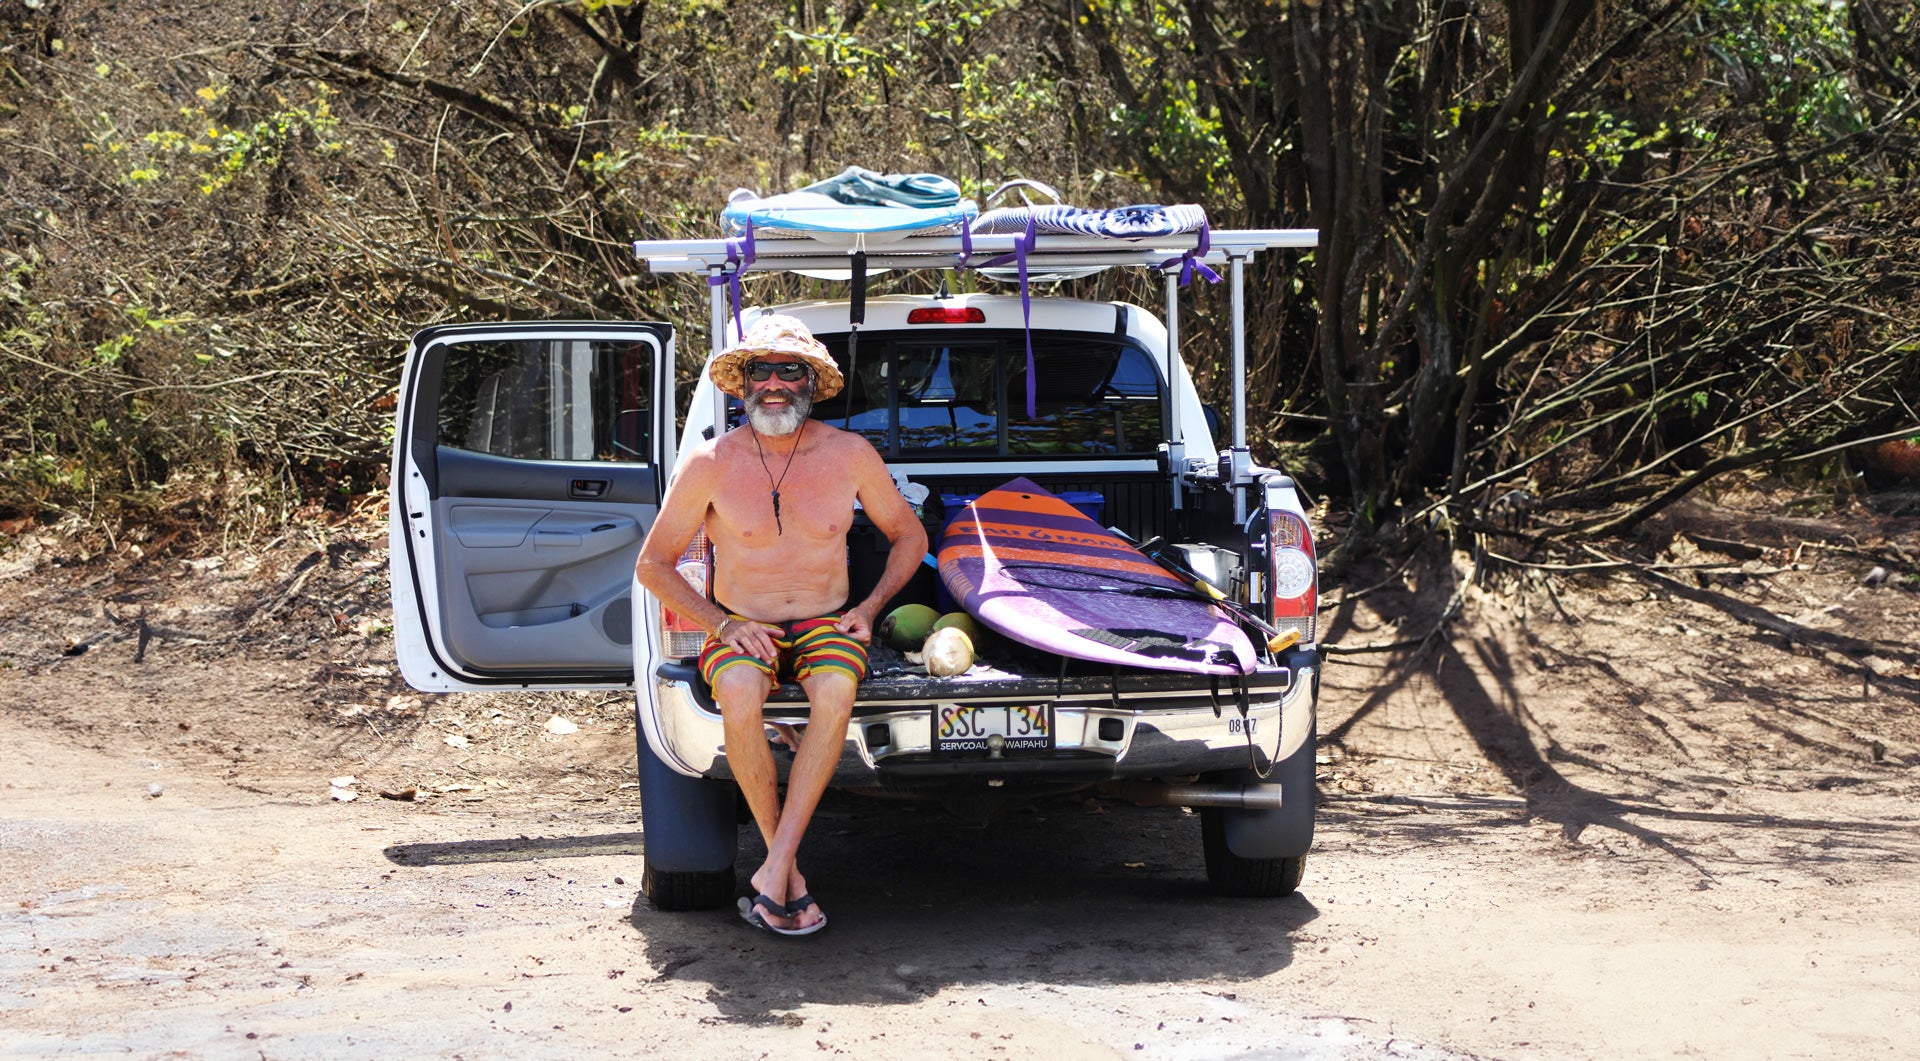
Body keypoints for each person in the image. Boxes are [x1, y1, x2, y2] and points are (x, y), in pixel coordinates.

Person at [633, 314, 927, 936]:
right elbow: (653, 565)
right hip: (743, 623)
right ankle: (783, 872)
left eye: (788, 371)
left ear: (810, 383)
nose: (773, 383)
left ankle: (775, 872)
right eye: (760, 371)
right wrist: (718, 624)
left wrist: (868, 609)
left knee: (837, 690)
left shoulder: (849, 454)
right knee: (738, 690)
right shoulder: (710, 462)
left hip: (827, 621)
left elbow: (909, 536)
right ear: (742, 384)